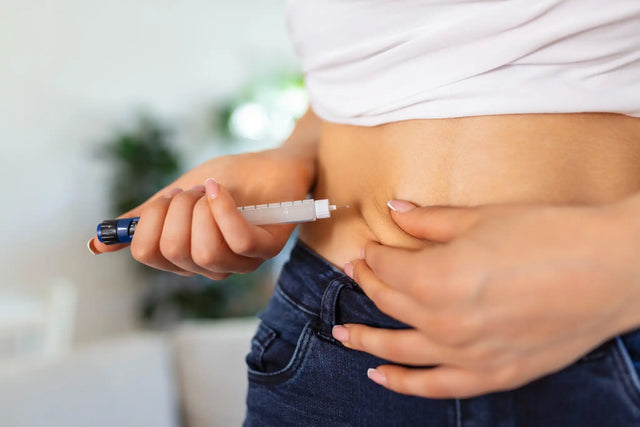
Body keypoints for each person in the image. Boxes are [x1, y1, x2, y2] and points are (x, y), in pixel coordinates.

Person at [89, 0, 640, 425]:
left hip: (605, 321)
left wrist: (617, 267)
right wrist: (292, 153)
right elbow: (354, 76)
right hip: (336, 340)